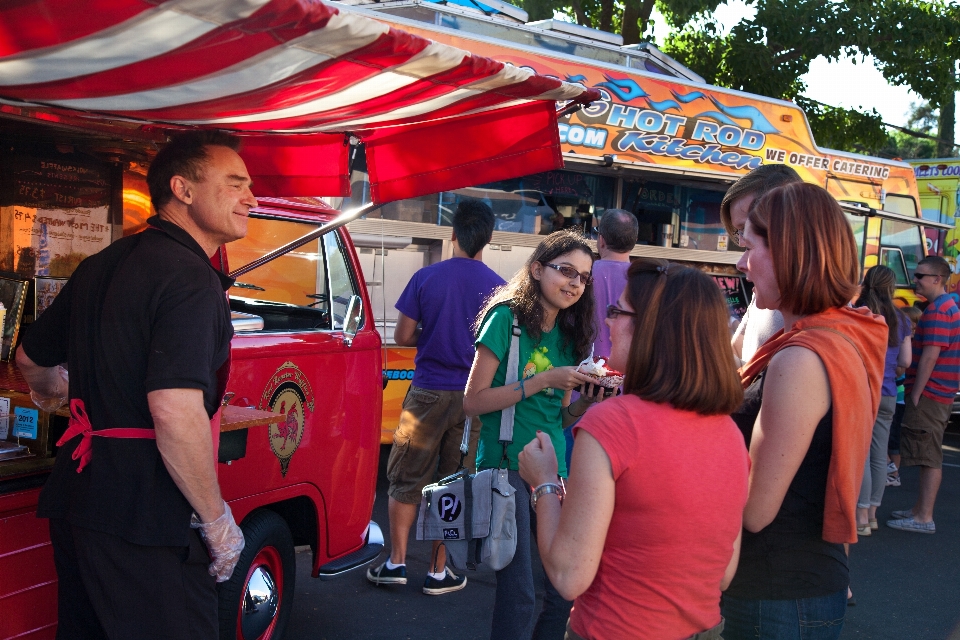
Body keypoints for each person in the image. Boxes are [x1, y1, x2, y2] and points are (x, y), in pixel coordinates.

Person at [16, 131, 254, 638]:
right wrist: (216, 520)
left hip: (81, 497)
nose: (250, 198)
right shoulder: (191, 278)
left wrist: (53, 391)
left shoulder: (100, 264)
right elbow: (173, 410)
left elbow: (29, 359)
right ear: (183, 190)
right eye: (235, 184)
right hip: (146, 511)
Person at [518, 258, 749, 640]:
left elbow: (567, 575)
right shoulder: (730, 434)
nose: (607, 322)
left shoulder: (612, 424)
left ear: (651, 328)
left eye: (616, 311)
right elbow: (723, 573)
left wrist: (543, 482)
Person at [723, 183, 887, 639]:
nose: (741, 264)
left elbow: (755, 510)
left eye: (750, 246)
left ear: (790, 253)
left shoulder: (800, 358)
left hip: (776, 591)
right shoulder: (830, 335)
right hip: (794, 585)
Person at [463, 230, 601, 640]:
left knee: (561, 593)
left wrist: (585, 402)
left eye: (583, 277)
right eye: (566, 271)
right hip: (505, 473)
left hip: (552, 474)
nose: (575, 283)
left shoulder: (571, 334)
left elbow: (556, 420)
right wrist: (543, 380)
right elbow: (472, 402)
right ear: (537, 269)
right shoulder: (505, 319)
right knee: (520, 593)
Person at [367, 200, 504, 595]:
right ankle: (438, 573)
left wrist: (433, 333)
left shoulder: (427, 278)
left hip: (425, 394)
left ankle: (395, 563)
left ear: (454, 235)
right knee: (453, 483)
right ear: (489, 239)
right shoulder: (500, 290)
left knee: (406, 477)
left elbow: (403, 337)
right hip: (472, 400)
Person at [887, 255, 960, 534]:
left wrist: (916, 393)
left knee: (929, 455)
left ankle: (923, 517)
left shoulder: (939, 311)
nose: (914, 280)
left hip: (930, 393)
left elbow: (931, 355)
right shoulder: (945, 306)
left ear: (937, 279)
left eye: (920, 276)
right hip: (938, 392)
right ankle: (919, 511)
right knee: (928, 451)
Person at [721, 164, 802, 365]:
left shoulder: (812, 339)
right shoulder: (767, 292)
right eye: (739, 230)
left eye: (745, 228)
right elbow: (742, 355)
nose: (740, 241)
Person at [854, 266, 912, 535]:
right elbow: (906, 361)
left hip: (863, 392)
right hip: (889, 392)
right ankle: (873, 513)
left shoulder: (859, 314)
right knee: (879, 455)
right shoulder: (901, 319)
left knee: (861, 455)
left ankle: (861, 515)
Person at [589, 209, 637, 358]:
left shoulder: (584, 273)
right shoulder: (643, 279)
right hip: (629, 373)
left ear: (601, 240)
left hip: (586, 371)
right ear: (634, 242)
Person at [888, 305, 923, 487]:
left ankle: (893, 473)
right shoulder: (908, 343)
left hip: (898, 394)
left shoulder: (908, 345)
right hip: (898, 393)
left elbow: (901, 369)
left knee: (893, 438)